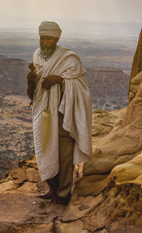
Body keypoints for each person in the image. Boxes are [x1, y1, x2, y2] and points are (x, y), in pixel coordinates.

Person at [26, 21, 92, 204]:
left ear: (57, 39)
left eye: (49, 39)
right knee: (44, 150)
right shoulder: (37, 56)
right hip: (43, 112)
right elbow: (33, 94)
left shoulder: (69, 59)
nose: (45, 42)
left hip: (63, 114)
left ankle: (63, 194)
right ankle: (51, 189)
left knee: (64, 156)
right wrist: (31, 81)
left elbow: (82, 90)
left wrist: (61, 80)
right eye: (42, 38)